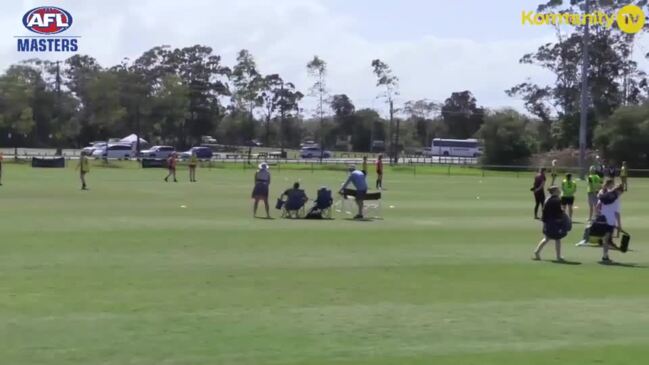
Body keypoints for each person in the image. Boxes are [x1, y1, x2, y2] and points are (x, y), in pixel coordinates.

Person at [533, 186, 567, 262]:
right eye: (558, 190)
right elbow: (559, 212)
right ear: (554, 191)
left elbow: (545, 211)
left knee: (547, 238)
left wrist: (544, 221)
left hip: (548, 221)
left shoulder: (548, 199)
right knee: (557, 239)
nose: (559, 191)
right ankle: (558, 257)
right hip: (554, 222)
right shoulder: (557, 200)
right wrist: (563, 214)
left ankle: (537, 252)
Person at [598, 184, 624, 263]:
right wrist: (619, 225)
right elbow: (617, 213)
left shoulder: (605, 195)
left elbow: (597, 206)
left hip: (602, 219)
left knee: (605, 239)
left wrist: (600, 214)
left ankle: (605, 255)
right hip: (610, 221)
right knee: (606, 239)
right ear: (619, 191)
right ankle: (605, 256)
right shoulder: (616, 199)